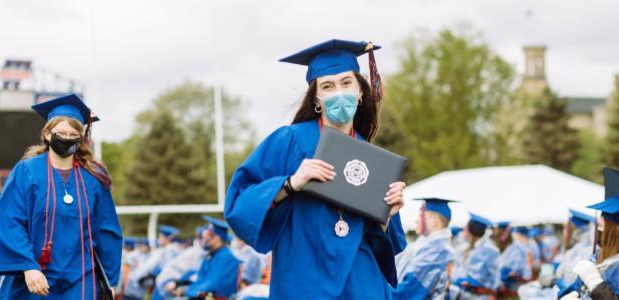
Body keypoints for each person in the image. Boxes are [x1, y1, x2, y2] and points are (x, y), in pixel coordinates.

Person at [224, 39, 407, 299]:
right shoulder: (290, 141)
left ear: (360, 92)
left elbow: (385, 243)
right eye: (328, 86)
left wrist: (387, 215)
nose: (339, 93)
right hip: (303, 275)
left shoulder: (374, 160)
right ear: (317, 97)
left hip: (360, 280)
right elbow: (239, 204)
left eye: (346, 83)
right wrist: (290, 184)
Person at [0, 94, 123, 299]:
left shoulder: (93, 180)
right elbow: (10, 220)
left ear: (81, 138)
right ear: (47, 134)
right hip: (35, 278)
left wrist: (110, 280)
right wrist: (27, 266)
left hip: (80, 280)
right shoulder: (27, 171)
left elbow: (107, 230)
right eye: (61, 133)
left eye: (73, 134)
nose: (66, 138)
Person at [392, 198, 456, 299]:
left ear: (434, 222)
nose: (416, 220)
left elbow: (409, 291)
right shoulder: (432, 246)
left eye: (421, 215)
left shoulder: (438, 250)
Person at [169, 216, 241, 299]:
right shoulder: (211, 255)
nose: (203, 241)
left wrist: (185, 290)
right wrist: (179, 284)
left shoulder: (226, 257)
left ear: (216, 238)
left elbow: (211, 285)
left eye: (206, 238)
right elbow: (200, 279)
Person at [451, 213, 500, 299]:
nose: (464, 231)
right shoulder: (463, 248)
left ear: (471, 230)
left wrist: (474, 283)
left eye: (466, 228)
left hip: (480, 296)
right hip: (463, 295)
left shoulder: (490, 250)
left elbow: (495, 278)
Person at [498, 226, 534, 296]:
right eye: (525, 235)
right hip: (514, 283)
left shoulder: (526, 246)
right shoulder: (515, 248)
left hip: (523, 281)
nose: (527, 237)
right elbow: (508, 269)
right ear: (519, 235)